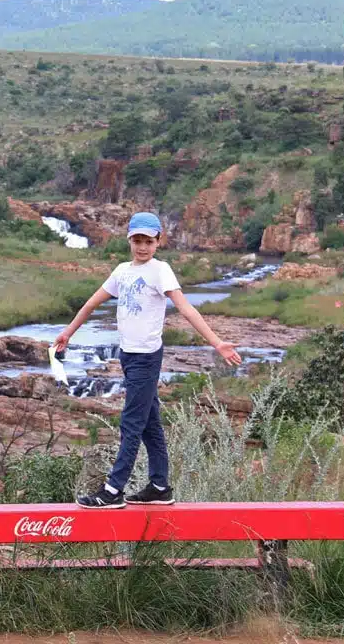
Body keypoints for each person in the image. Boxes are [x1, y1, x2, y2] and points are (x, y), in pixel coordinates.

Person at [53, 212, 241, 509]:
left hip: (146, 358)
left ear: (158, 242)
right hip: (127, 356)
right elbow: (91, 303)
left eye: (148, 241)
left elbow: (186, 309)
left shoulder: (160, 270)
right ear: (129, 240)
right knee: (150, 423)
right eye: (137, 241)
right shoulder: (122, 271)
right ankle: (159, 486)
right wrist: (68, 332)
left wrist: (217, 343)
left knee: (131, 423)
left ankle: (113, 490)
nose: (142, 247)